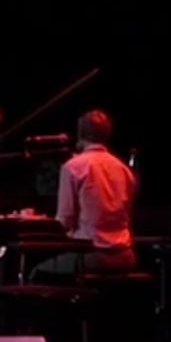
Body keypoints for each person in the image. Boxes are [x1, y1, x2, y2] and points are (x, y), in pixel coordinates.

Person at [31, 109, 140, 280]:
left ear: (80, 134)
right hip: (126, 256)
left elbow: (64, 221)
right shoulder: (124, 170)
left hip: (90, 255)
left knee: (37, 272)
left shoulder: (73, 167)